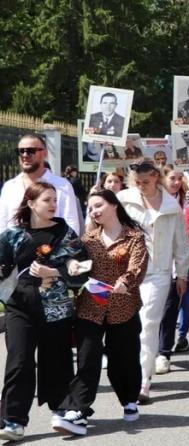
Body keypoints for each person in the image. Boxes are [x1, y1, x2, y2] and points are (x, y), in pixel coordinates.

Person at [53, 189, 149, 436]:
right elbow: (70, 258)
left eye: (98, 205)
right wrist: (72, 265)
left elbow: (137, 266)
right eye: (90, 208)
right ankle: (78, 409)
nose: (94, 211)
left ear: (114, 205)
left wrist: (125, 282)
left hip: (123, 307)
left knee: (123, 359)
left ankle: (129, 400)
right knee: (87, 360)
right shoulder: (88, 239)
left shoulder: (134, 237)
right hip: (91, 307)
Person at [0, 183, 88, 441]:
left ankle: (63, 411)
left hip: (56, 306)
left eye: (55, 200)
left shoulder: (65, 233)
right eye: (47, 200)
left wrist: (60, 271)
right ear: (31, 203)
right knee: (19, 359)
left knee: (57, 360)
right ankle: (12, 419)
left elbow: (82, 269)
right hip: (19, 306)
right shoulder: (12, 235)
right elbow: (3, 269)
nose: (53, 205)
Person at [118, 161, 189, 403]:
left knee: (148, 323)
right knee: (126, 325)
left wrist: (182, 274)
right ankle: (130, 371)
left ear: (156, 178)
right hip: (127, 271)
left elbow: (181, 241)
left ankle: (143, 380)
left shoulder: (171, 206)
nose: (141, 186)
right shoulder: (123, 200)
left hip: (159, 272)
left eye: (146, 182)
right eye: (137, 182)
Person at [157, 166, 189, 372]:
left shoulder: (186, 202)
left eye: (180, 178)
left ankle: (164, 351)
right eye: (172, 178)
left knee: (170, 307)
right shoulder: (154, 201)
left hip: (178, 263)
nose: (177, 182)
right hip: (154, 265)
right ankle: (151, 348)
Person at [1, 134, 82, 235]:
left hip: (53, 244)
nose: (25, 155)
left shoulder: (62, 185)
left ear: (45, 153)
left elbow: (71, 224)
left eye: (31, 151)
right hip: (14, 244)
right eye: (21, 151)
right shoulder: (9, 187)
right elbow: (2, 225)